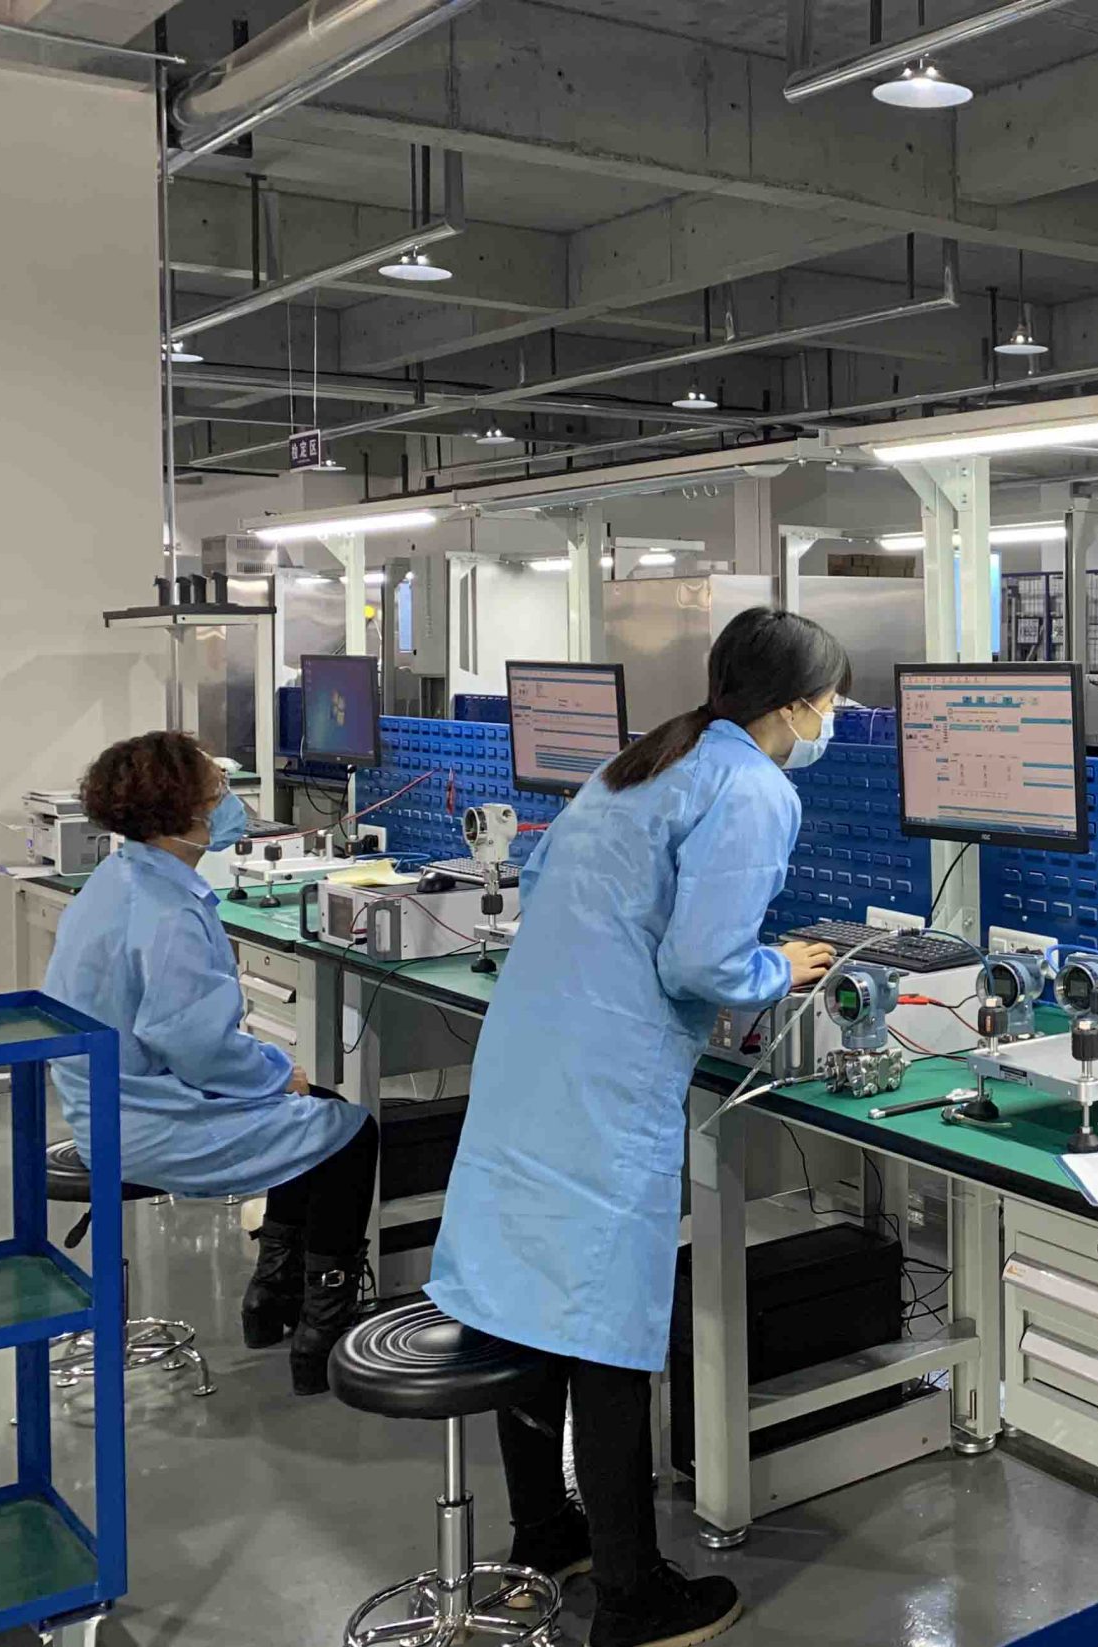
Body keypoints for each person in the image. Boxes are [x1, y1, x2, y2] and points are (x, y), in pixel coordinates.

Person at [426, 607, 844, 1647]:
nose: (833, 718)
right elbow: (700, 962)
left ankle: (545, 1531)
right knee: (603, 1323)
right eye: (832, 700)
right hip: (605, 1076)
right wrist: (780, 967)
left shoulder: (646, 758)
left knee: (524, 1302)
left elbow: (547, 886)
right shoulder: (753, 786)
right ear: (796, 705)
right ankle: (631, 1595)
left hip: (531, 1050)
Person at [44, 730, 379, 1394]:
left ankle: (272, 1300)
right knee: (349, 1131)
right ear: (187, 810)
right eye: (219, 789)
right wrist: (277, 1072)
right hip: (147, 1122)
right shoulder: (166, 912)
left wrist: (274, 1080)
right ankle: (321, 1335)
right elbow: (198, 1046)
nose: (230, 801)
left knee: (312, 1115)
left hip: (109, 1103)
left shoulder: (120, 878)